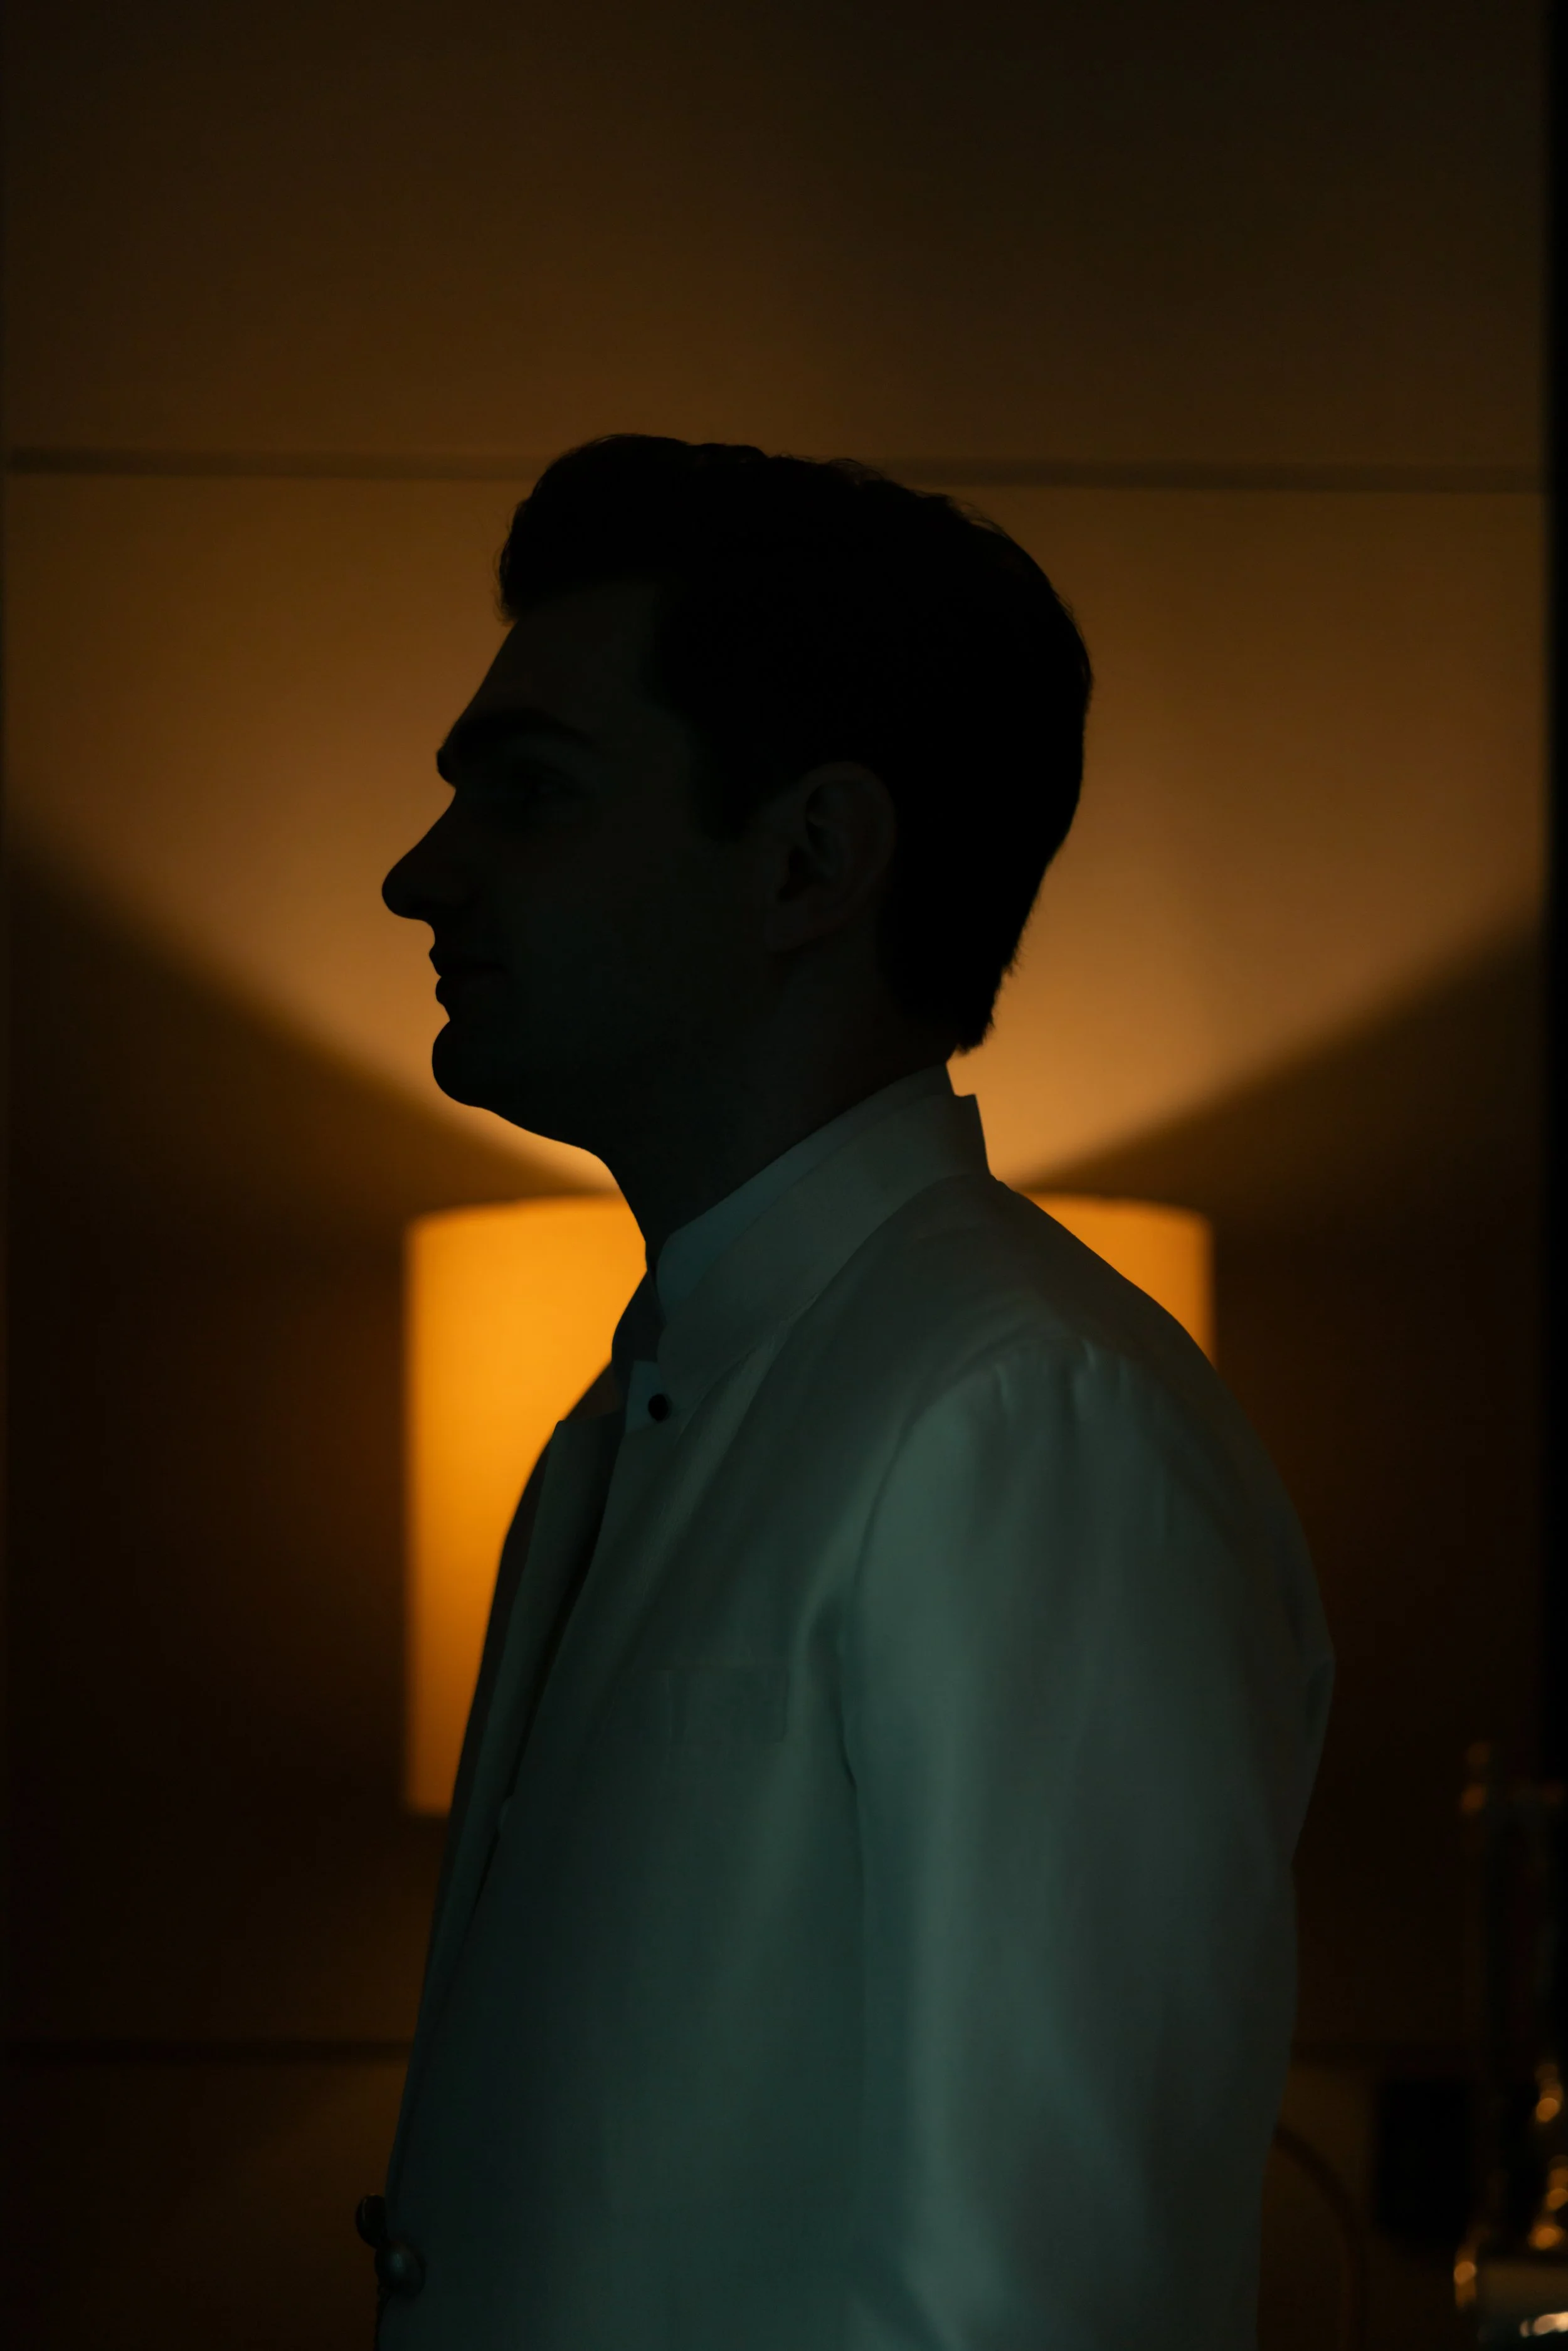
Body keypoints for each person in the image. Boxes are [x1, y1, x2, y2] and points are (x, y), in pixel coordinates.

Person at [368, 433, 1333, 2348]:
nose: (419, 871)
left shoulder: (1023, 1415)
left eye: (529, 792)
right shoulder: (636, 1413)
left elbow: (1047, 2298)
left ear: (810, 855)